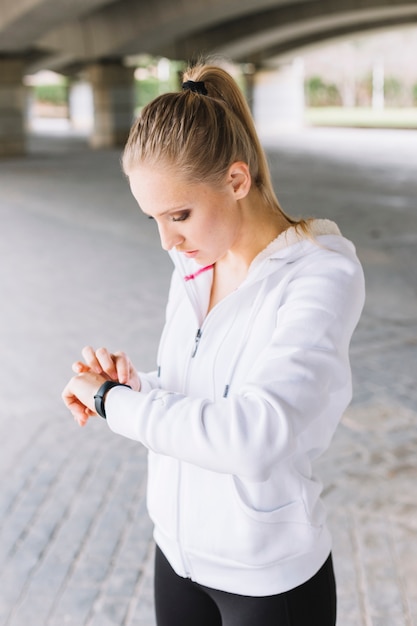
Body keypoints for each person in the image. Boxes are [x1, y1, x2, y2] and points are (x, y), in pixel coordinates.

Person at [62, 62, 365, 626]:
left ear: (236, 180)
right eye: (153, 218)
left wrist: (115, 404)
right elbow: (195, 390)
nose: (166, 240)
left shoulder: (321, 277)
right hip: (176, 560)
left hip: (270, 584)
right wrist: (133, 385)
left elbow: (255, 435)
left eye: (179, 214)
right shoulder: (193, 262)